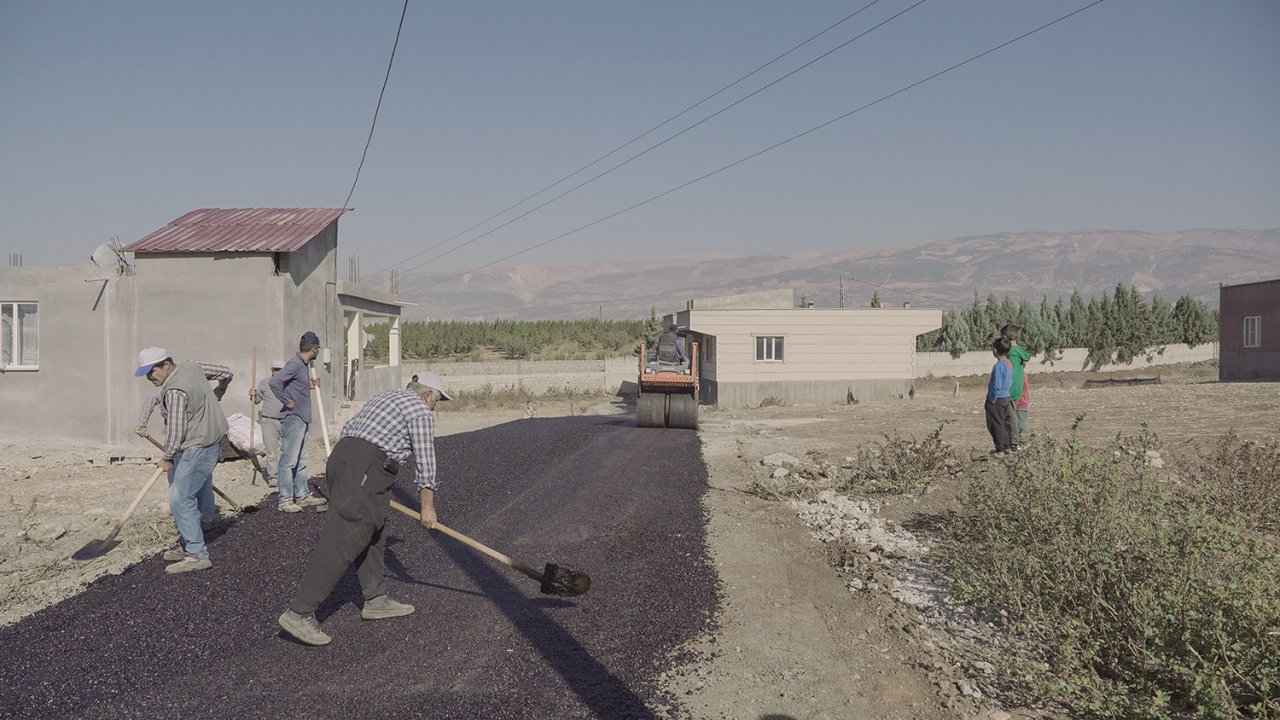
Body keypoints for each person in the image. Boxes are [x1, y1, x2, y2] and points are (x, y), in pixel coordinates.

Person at [277, 373, 451, 646]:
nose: (435, 407)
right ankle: (299, 612)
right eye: (438, 401)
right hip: (368, 464)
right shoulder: (420, 410)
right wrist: (427, 507)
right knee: (345, 536)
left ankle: (376, 599)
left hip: (344, 458)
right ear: (427, 395)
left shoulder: (386, 396)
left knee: (373, 531)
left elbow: (349, 428)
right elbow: (425, 460)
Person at [134, 346, 232, 574]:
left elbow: (176, 431)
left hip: (196, 445)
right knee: (202, 483)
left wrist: (167, 457)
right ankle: (199, 530)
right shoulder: (192, 366)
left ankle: (197, 554)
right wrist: (219, 392)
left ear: (166, 364)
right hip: (213, 439)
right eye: (146, 373)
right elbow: (226, 372)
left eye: (152, 371)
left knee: (180, 497)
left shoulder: (175, 391)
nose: (149, 377)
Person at [269, 332, 327, 513]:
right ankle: (285, 499)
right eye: (318, 349)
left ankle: (302, 495)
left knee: (301, 460)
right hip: (293, 418)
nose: (318, 352)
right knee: (288, 460)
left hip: (302, 418)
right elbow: (275, 382)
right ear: (314, 349)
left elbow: (295, 386)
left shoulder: (303, 366)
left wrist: (309, 385)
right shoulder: (294, 364)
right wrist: (287, 401)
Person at [249, 359, 286, 486]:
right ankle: (273, 477)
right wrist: (252, 395)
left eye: (279, 369)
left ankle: (285, 475)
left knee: (286, 450)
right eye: (275, 369)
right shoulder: (264, 383)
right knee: (271, 452)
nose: (277, 371)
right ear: (272, 370)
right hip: (268, 420)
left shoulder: (289, 383)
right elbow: (256, 401)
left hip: (285, 420)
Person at [1000, 324, 1031, 450]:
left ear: (1004, 337)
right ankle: (1019, 441)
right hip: (1019, 387)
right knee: (1017, 414)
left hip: (1012, 388)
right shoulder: (1020, 352)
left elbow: (1008, 371)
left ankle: (1015, 443)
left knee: (1010, 415)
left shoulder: (1011, 353)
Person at [985, 337, 1014, 456]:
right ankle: (1007, 447)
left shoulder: (998, 367)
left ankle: (999, 450)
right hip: (1006, 397)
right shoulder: (1009, 364)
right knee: (1002, 423)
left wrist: (991, 400)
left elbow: (996, 386)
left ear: (996, 350)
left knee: (995, 424)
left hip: (997, 399)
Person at [1014, 372, 1031, 447]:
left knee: (1021, 425)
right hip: (1022, 403)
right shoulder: (1022, 374)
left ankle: (1023, 443)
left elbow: (1018, 390)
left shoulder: (1019, 375)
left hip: (1020, 404)